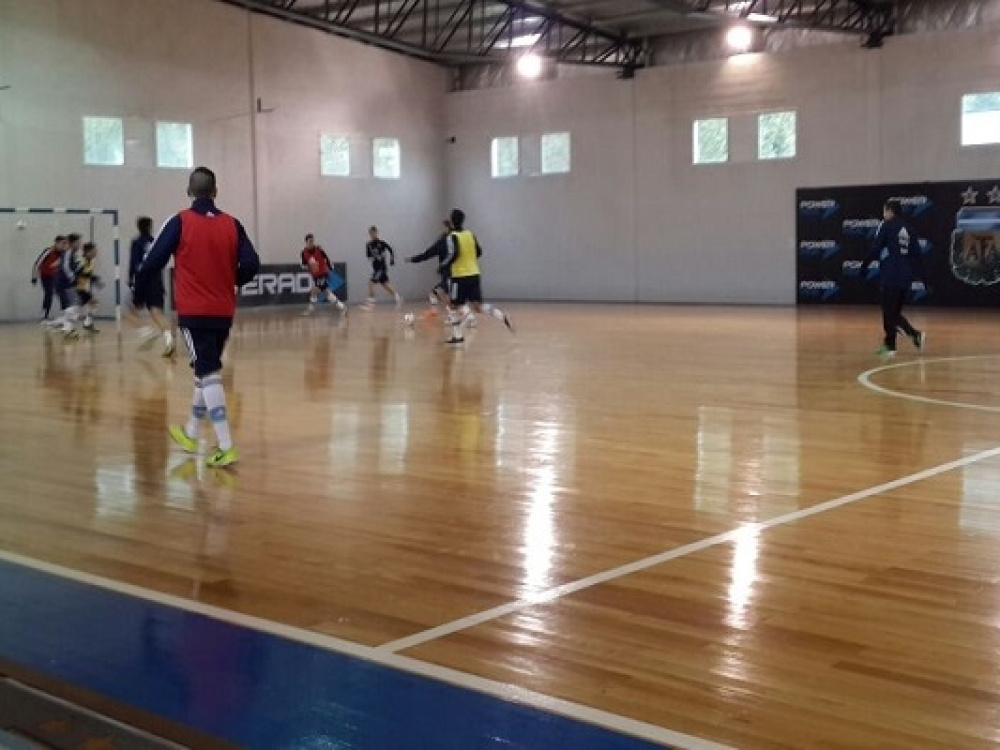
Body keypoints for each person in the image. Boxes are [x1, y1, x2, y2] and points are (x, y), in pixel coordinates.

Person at [136, 166, 260, 468]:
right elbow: (252, 264)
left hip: (194, 312)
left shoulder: (180, 221)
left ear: (189, 191)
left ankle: (226, 445)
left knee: (208, 373)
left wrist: (138, 294)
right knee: (204, 370)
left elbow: (152, 262)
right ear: (215, 192)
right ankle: (191, 432)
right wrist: (231, 279)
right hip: (223, 312)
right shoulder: (233, 224)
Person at [438, 208, 513, 345]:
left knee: (453, 305)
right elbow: (479, 251)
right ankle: (501, 315)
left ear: (452, 220)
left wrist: (443, 265)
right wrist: (469, 260)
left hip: (459, 276)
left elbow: (453, 253)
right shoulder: (470, 234)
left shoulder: (452, 236)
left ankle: (458, 336)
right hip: (474, 274)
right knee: (478, 306)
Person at [863, 199, 927, 357]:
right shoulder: (910, 229)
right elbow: (917, 256)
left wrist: (864, 265)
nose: (883, 214)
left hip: (891, 275)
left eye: (885, 211)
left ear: (890, 211)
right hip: (905, 278)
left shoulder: (886, 225)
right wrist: (924, 278)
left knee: (889, 312)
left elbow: (876, 247)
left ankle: (913, 335)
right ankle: (891, 346)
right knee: (893, 312)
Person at [126, 216, 175, 356]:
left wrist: (131, 280)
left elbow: (134, 263)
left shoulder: (136, 243)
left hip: (141, 280)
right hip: (156, 281)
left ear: (138, 227)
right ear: (150, 227)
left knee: (129, 312)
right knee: (156, 312)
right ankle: (169, 340)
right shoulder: (156, 241)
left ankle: (147, 333)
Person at [300, 233, 346, 315]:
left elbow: (326, 258)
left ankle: (311, 308)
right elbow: (304, 264)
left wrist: (330, 267)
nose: (312, 243)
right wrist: (308, 266)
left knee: (314, 290)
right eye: (310, 241)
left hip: (322, 273)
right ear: (306, 242)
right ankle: (342, 307)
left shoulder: (319, 249)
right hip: (315, 275)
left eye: (312, 241)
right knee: (327, 293)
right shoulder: (304, 252)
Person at [63, 242, 102, 336]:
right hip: (74, 288)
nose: (96, 252)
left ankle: (87, 324)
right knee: (74, 310)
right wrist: (91, 277)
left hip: (81, 288)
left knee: (93, 303)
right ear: (88, 252)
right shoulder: (81, 261)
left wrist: (95, 280)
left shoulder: (91, 261)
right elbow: (76, 273)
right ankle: (67, 329)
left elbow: (88, 274)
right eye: (94, 251)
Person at [361, 226, 402, 310]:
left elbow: (391, 249)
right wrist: (375, 257)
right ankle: (398, 298)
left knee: (371, 283)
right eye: (371, 233)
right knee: (386, 285)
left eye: (374, 233)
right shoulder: (368, 245)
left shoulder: (382, 243)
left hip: (381, 268)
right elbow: (368, 256)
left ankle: (371, 304)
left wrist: (392, 259)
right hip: (376, 268)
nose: (373, 235)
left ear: (377, 233)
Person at [31, 235, 67, 321]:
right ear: (56, 243)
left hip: (56, 276)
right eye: (62, 243)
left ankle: (65, 315)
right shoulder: (48, 251)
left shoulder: (64, 253)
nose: (64, 245)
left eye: (65, 244)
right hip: (46, 275)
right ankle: (44, 315)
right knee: (49, 293)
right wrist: (34, 277)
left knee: (63, 293)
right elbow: (37, 264)